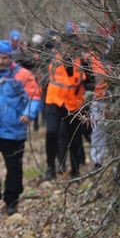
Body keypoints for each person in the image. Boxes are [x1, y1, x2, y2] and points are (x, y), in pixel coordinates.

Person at [0, 41, 41, 215]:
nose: (0, 61)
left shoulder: (23, 75)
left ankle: (11, 200)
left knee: (13, 167)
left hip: (13, 130)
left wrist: (30, 113)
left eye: (4, 58)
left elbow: (35, 96)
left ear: (10, 57)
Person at [43, 41, 86, 179]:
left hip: (73, 105)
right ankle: (50, 167)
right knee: (51, 132)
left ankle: (75, 171)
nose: (68, 48)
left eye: (72, 46)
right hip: (54, 101)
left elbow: (89, 81)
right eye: (66, 45)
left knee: (74, 138)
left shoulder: (82, 63)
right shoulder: (52, 58)